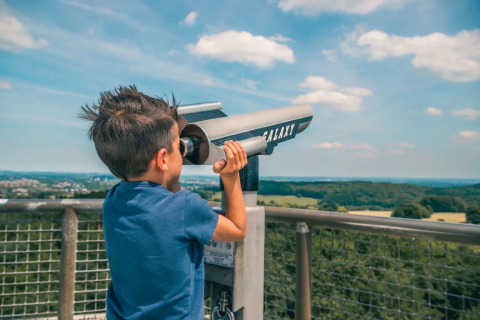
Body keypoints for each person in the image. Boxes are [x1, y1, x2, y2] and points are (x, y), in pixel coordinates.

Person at [79, 85, 247, 319]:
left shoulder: (113, 200)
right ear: (162, 159)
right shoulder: (185, 207)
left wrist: (171, 168)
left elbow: (160, 201)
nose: (183, 150)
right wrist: (231, 176)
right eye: (178, 145)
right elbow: (237, 229)